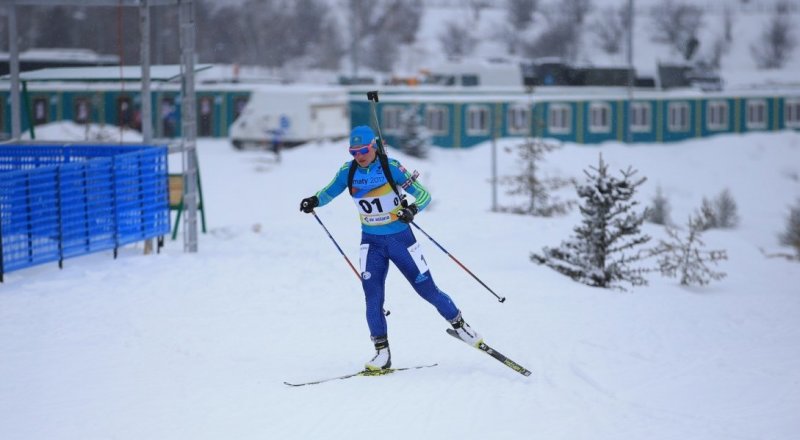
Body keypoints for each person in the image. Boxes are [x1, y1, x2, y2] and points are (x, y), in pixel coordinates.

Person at [299, 125, 482, 371]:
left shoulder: (390, 167)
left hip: (400, 241)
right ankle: (382, 353)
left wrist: (412, 210)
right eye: (353, 152)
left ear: (373, 146)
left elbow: (424, 195)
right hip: (371, 243)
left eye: (363, 150)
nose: (359, 156)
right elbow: (329, 191)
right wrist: (314, 200)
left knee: (427, 291)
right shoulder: (348, 171)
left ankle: (460, 325)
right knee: (372, 299)